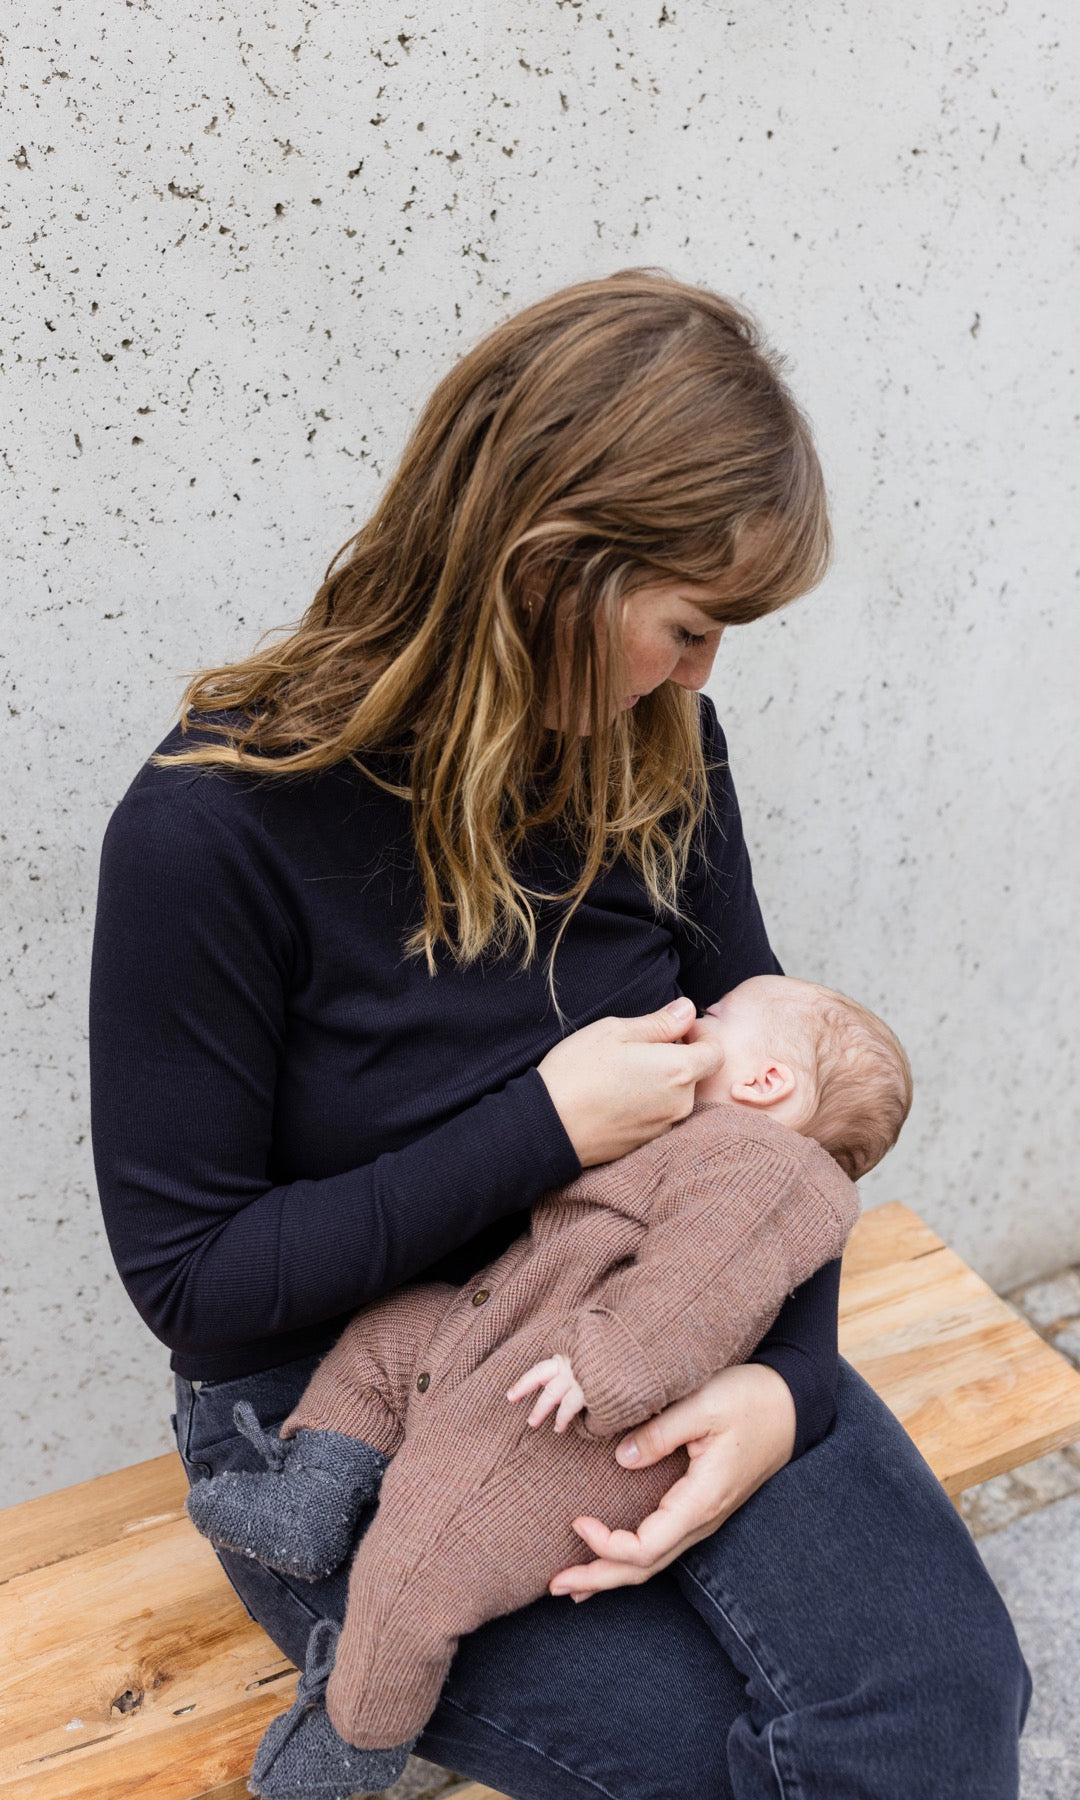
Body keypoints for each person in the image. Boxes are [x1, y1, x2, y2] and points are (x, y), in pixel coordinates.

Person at [90, 270, 1030, 1800]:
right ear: (550, 569)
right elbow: (195, 1285)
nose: (701, 674)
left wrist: (779, 1386)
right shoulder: (214, 833)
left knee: (935, 1706)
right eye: (687, 625)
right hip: (357, 1422)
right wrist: (540, 1129)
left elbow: (771, 1126)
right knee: (723, 1767)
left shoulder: (661, 753)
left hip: (661, 1315)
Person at [184, 975, 907, 1800]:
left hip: (562, 1418)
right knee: (390, 1337)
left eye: (711, 1019)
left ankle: (360, 1734)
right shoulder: (705, 1143)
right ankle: (317, 1491)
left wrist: (611, 1367)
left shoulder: (764, 1165)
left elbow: (700, 1287)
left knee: (420, 1558)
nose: (686, 1023)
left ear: (763, 1081)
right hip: (506, 1340)